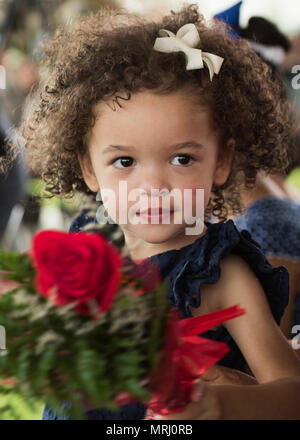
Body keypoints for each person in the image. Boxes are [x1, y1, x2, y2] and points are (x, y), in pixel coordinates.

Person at [11, 4, 300, 420]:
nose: (153, 187)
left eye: (182, 159)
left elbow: (290, 393)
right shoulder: (88, 247)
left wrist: (224, 403)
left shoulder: (219, 275)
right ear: (89, 168)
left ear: (221, 161)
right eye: (125, 162)